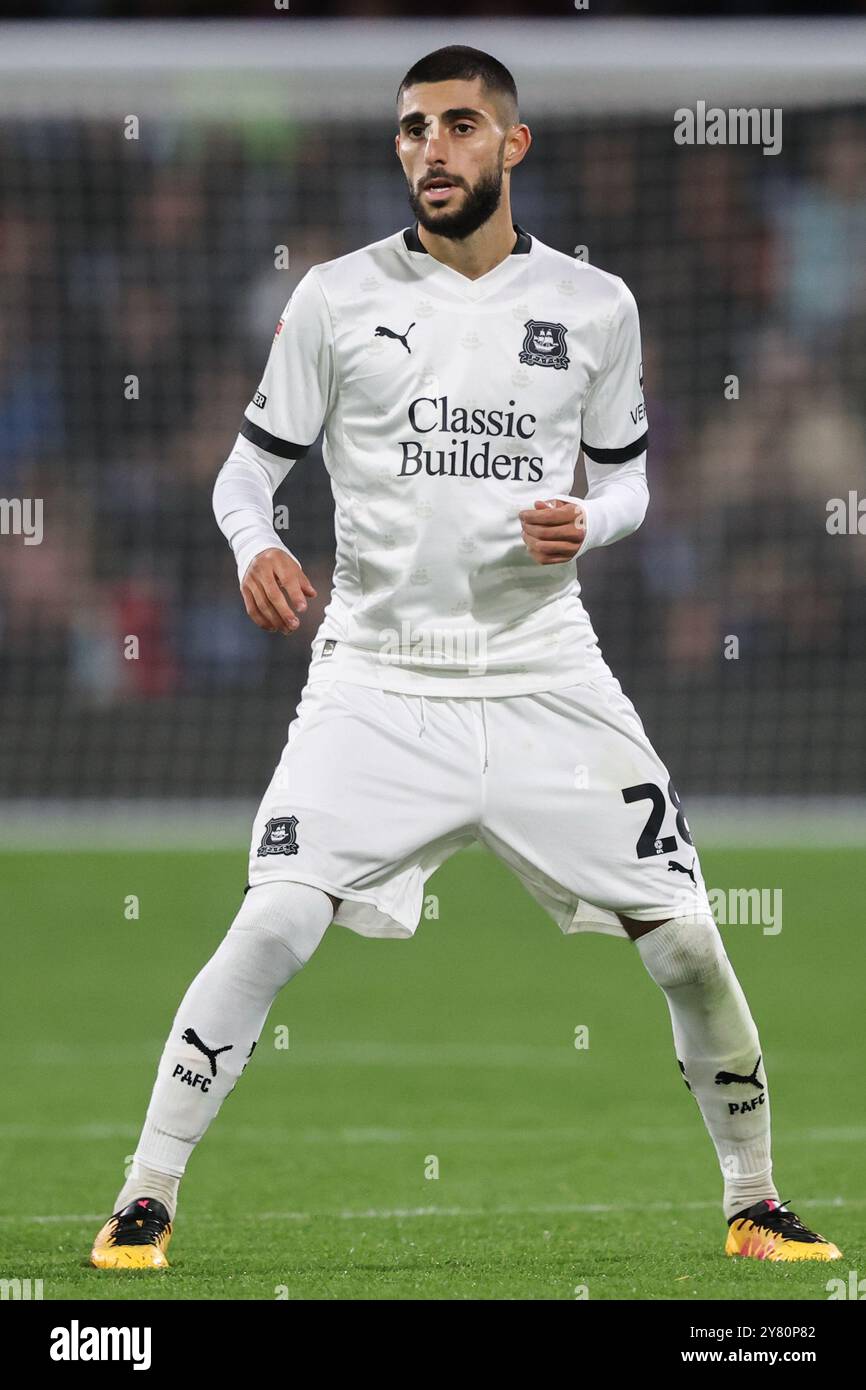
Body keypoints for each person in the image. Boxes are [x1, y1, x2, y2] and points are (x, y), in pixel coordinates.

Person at [90, 45, 841, 1270]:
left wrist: (588, 523)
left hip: (546, 670)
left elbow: (631, 482)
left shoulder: (593, 306)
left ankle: (753, 1199)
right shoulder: (334, 297)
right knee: (273, 920)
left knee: (692, 940)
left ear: (511, 144)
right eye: (409, 130)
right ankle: (144, 1198)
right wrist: (249, 542)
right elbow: (248, 468)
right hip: (376, 680)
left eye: (454, 125)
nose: (427, 149)